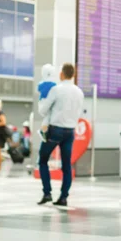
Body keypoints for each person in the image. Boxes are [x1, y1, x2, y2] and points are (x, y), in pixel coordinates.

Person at [36, 63, 84, 207]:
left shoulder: (56, 90)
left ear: (61, 74)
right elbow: (79, 112)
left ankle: (47, 193)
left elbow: (43, 111)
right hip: (70, 131)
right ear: (73, 75)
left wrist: (42, 100)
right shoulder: (79, 92)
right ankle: (63, 197)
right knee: (66, 165)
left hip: (55, 130)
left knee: (43, 159)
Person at [37, 63, 57, 141]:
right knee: (49, 116)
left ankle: (45, 131)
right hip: (48, 102)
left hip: (41, 101)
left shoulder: (41, 83)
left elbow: (39, 90)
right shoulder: (53, 84)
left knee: (47, 117)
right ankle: (44, 131)